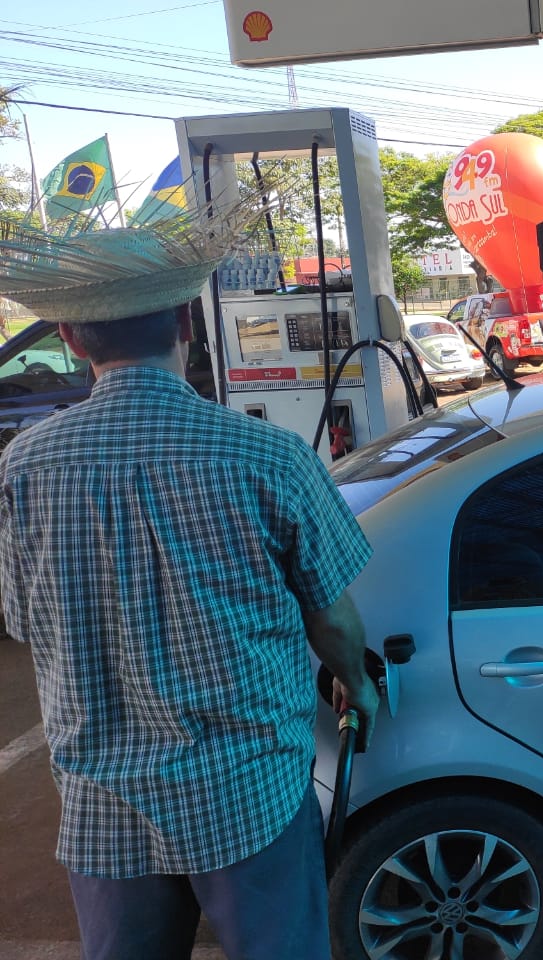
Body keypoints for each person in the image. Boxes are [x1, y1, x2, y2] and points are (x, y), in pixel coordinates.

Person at [0, 217, 379, 960]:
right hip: (246, 792)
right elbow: (332, 618)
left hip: (104, 796)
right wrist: (356, 685)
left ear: (71, 339)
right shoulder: (268, 456)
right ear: (185, 323)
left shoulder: (23, 465)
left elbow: (23, 619)